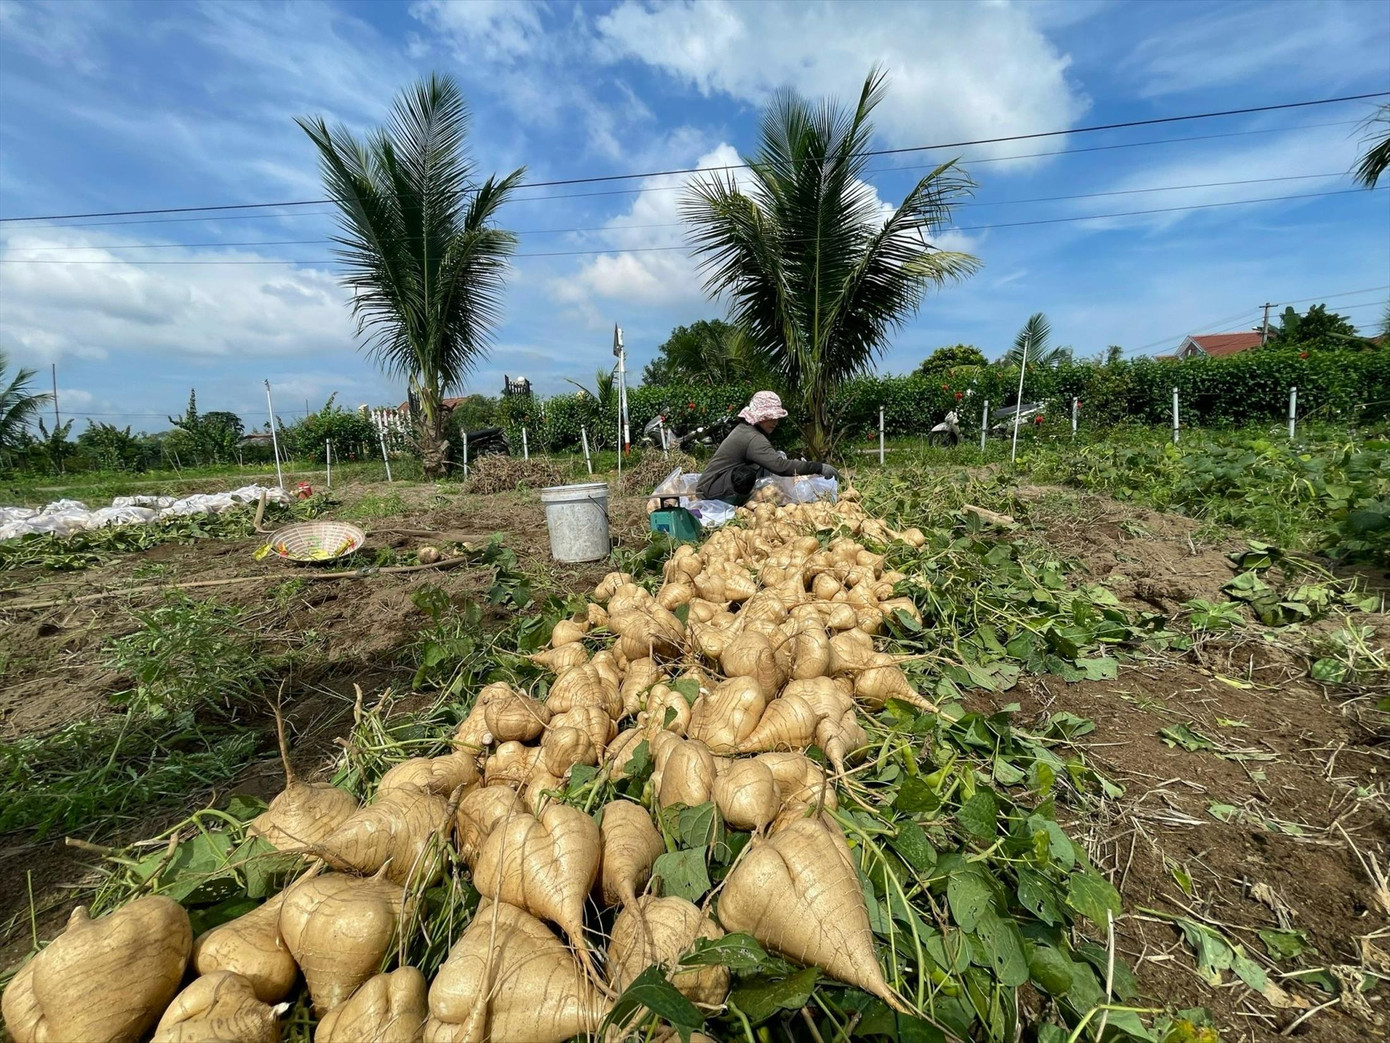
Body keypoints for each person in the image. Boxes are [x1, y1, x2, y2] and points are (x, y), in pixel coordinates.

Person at [696, 391, 840, 505]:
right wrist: (818, 467)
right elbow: (780, 466)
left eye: (776, 417)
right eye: (770, 417)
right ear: (760, 416)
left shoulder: (747, 430)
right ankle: (732, 505)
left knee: (765, 465)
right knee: (745, 476)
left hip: (714, 485)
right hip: (710, 491)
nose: (775, 422)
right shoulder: (752, 437)